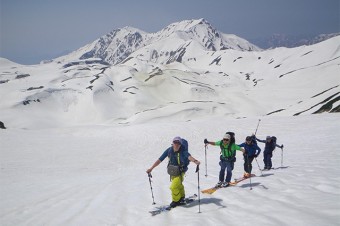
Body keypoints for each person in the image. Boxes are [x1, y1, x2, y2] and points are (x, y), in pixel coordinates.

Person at [146, 136, 200, 208]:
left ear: (180, 144)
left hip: (181, 171)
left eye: (178, 143)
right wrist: (151, 168)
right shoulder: (169, 150)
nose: (177, 144)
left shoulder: (183, 151)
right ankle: (182, 196)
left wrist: (195, 161)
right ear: (172, 143)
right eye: (175, 142)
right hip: (173, 171)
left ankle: (176, 200)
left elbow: (189, 156)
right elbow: (160, 159)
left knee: (173, 187)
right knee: (178, 185)